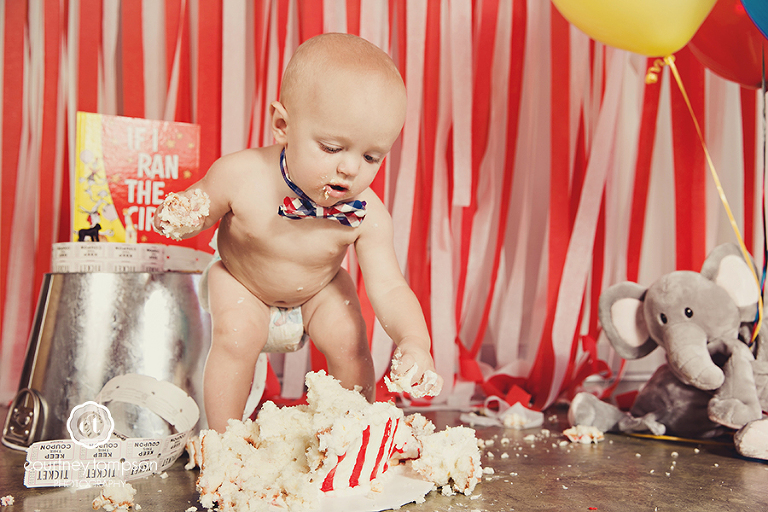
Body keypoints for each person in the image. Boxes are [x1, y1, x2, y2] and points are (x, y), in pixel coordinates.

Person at [153, 33, 442, 432]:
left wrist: (414, 340)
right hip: (243, 282)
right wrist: (184, 212)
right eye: (331, 148)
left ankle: (351, 433)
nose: (350, 169)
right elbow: (200, 204)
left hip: (315, 291)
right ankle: (226, 439)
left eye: (371, 156)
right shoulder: (242, 175)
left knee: (349, 338)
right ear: (282, 125)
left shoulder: (367, 214)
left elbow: (390, 287)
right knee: (237, 337)